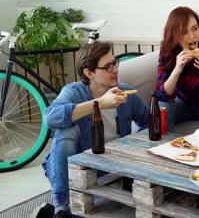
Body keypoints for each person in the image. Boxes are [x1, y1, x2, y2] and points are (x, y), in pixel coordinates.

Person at [40, 42, 149, 218]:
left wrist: (132, 150)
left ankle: (54, 213)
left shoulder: (125, 93)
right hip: (77, 166)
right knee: (66, 130)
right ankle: (61, 206)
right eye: (108, 66)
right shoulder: (74, 91)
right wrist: (100, 103)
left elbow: (148, 123)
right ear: (89, 73)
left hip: (110, 165)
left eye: (115, 63)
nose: (115, 69)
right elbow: (50, 117)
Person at [156, 6, 199, 133]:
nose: (192, 36)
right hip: (182, 102)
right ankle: (163, 148)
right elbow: (163, 95)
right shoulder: (167, 50)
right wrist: (177, 70)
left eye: (195, 29)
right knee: (162, 107)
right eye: (184, 32)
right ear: (175, 34)